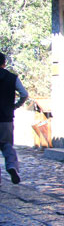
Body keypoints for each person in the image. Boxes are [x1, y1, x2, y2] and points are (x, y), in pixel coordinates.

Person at [0, 52, 28, 185]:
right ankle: (11, 166)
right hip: (6, 117)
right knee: (7, 145)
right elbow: (24, 94)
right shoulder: (12, 78)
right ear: (4, 63)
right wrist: (15, 106)